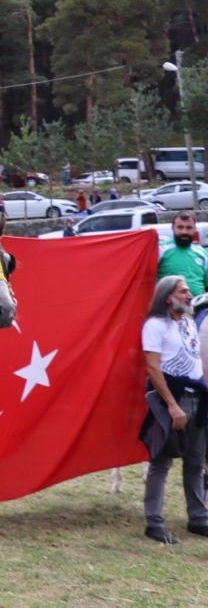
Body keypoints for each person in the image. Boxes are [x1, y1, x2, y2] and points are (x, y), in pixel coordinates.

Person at [140, 275, 208, 543]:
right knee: (161, 461)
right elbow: (153, 367)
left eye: (189, 291)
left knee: (195, 461)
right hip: (172, 398)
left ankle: (199, 517)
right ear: (168, 296)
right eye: (182, 292)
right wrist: (171, 405)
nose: (188, 295)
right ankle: (154, 521)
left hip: (197, 397)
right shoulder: (155, 325)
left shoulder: (190, 323)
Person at [158, 212, 208, 295]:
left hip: (197, 306)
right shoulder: (160, 249)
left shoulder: (202, 253)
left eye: (189, 228)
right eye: (180, 227)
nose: (184, 232)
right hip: (169, 306)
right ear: (173, 228)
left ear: (195, 229)